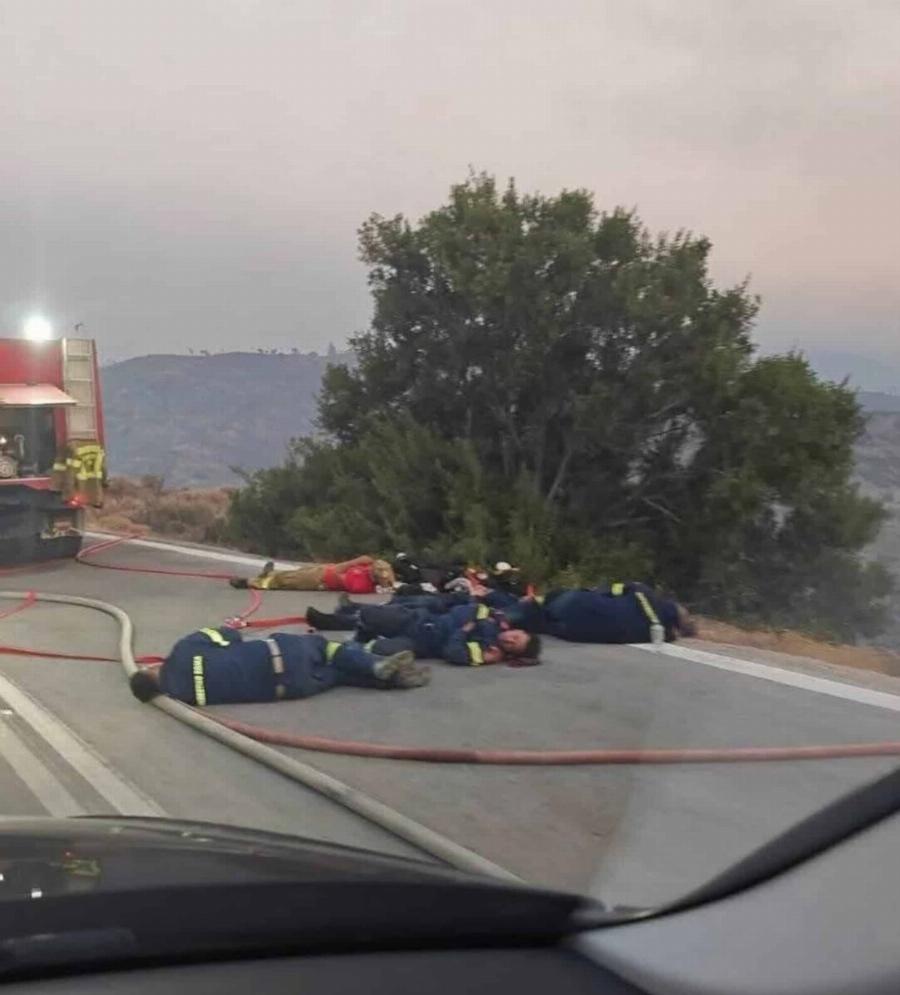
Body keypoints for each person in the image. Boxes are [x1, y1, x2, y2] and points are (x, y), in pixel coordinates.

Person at [128, 624, 429, 706]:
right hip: (281, 653)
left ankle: (395, 679)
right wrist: (231, 631)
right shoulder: (182, 651)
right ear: (149, 670)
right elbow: (229, 633)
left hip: (293, 688)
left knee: (338, 675)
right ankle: (375, 665)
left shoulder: (184, 698)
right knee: (328, 648)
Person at [306, 601, 541, 667]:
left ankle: (323, 647)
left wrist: (464, 630)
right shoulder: (497, 619)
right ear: (518, 630)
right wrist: (477, 619)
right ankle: (329, 621)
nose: (509, 640)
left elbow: (452, 652)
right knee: (371, 615)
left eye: (512, 646)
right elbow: (470, 607)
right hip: (420, 620)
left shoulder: (488, 651)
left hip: (420, 644)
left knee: (379, 653)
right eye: (516, 637)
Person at [510, 585, 697, 644]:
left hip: (577, 605)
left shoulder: (642, 592)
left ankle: (504, 613)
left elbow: (608, 589)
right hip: (571, 632)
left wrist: (591, 592)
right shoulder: (658, 635)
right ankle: (507, 618)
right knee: (540, 619)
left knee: (555, 599)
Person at [229, 555, 395, 593]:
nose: (372, 566)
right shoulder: (367, 572)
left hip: (319, 579)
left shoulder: (361, 586)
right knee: (291, 573)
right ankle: (268, 574)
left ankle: (247, 583)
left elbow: (339, 573)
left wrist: (354, 561)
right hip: (323, 570)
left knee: (284, 581)